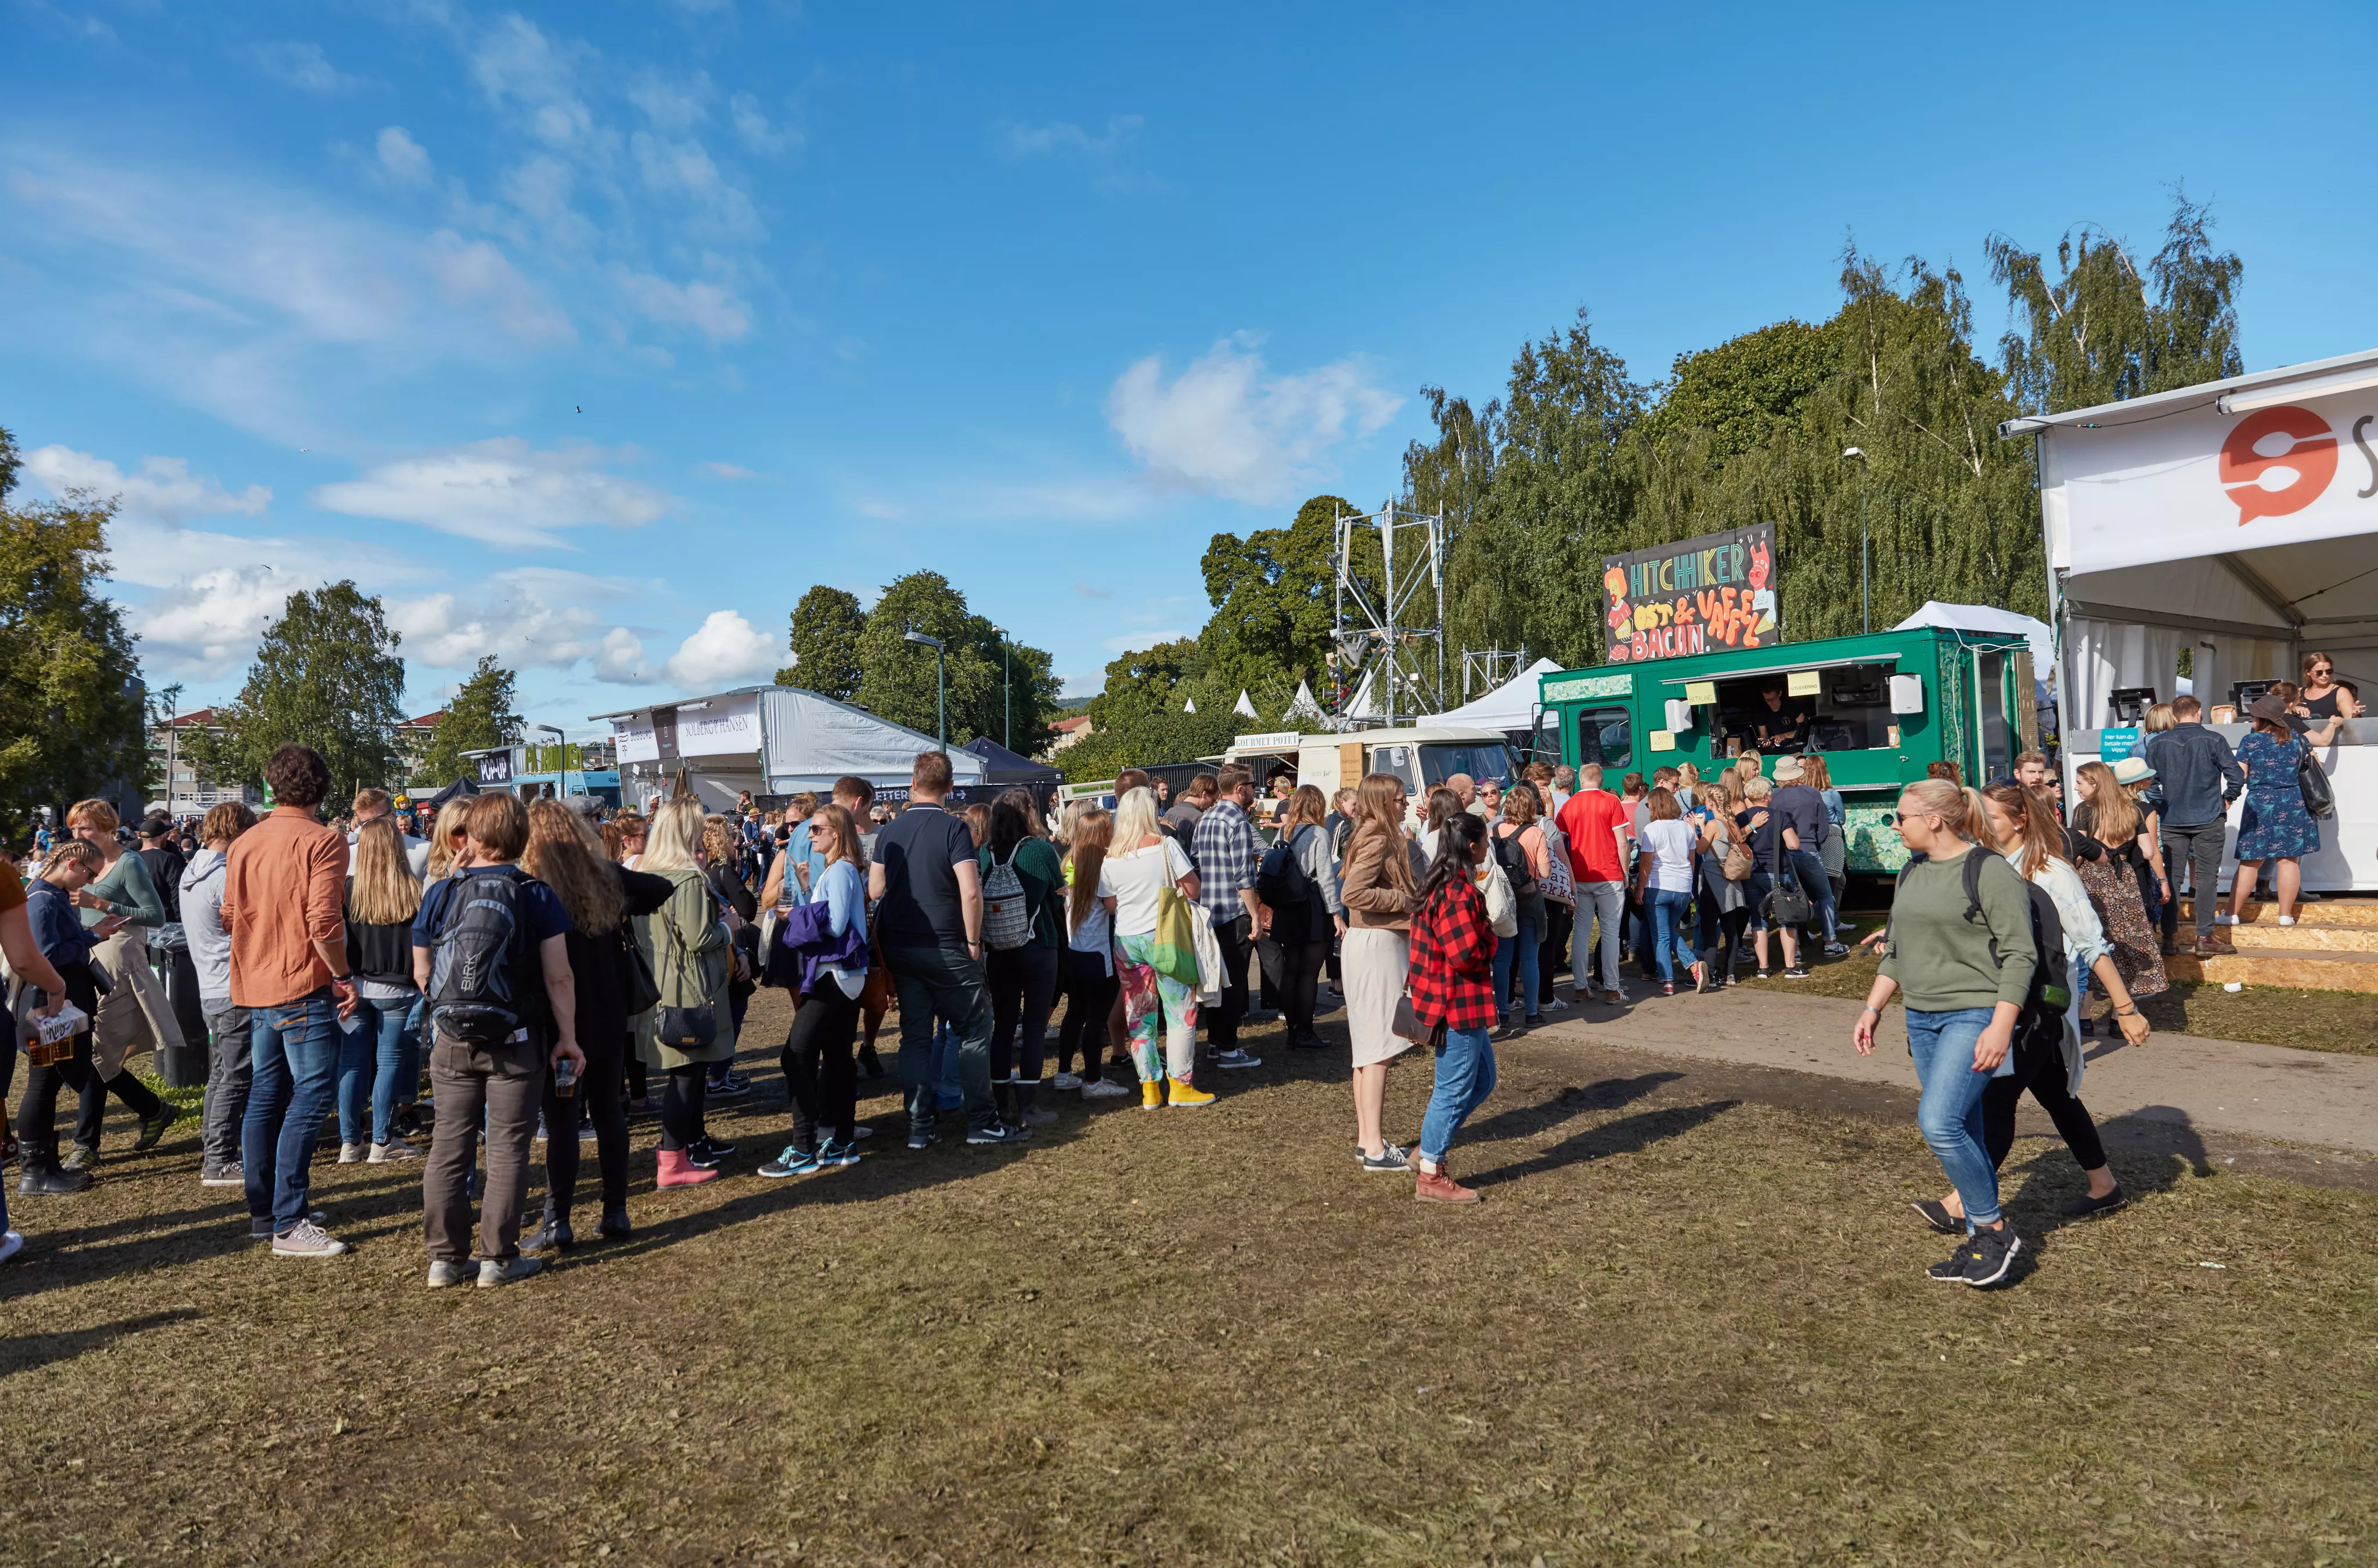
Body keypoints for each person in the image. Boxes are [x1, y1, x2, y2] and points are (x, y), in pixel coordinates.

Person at [1907, 782, 2146, 1231]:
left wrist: (2126, 1008)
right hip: (1999, 1002)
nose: (1982, 825)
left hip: (2037, 1010)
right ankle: (2104, 1185)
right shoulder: (1982, 864)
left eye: (1992, 817)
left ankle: (1960, 1204)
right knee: (2056, 1094)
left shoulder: (2053, 873)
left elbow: (2092, 944)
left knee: (1996, 1099)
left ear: (2020, 821)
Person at [1851, 778, 2034, 1289]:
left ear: (1934, 819)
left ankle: (1994, 1230)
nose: (1895, 825)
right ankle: (1979, 1243)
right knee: (1964, 1127)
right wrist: (1873, 1007)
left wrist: (2001, 1025)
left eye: (1901, 816)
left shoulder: (1989, 870)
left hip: (1974, 1015)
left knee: (1939, 1122)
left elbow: (2020, 953)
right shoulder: (1911, 871)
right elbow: (1897, 948)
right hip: (1922, 1017)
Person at [413, 791, 583, 1286]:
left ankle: (445, 1258)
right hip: (517, 1036)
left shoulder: (442, 893)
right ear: (521, 836)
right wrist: (568, 1036)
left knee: (449, 1144)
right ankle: (498, 1258)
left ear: (471, 835)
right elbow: (559, 977)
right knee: (508, 1147)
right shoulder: (536, 894)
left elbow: (422, 972)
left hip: (452, 1038)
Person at [221, 745, 355, 1258]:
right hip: (301, 983)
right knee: (312, 1093)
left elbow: (229, 914)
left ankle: (268, 1212)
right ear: (321, 787)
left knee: (267, 1092)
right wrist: (343, 975)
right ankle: (287, 1219)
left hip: (258, 983)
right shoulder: (323, 840)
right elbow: (323, 921)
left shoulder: (245, 841)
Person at [523, 797, 671, 1244]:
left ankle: (558, 1218)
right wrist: (619, 901)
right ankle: (615, 1211)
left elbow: (659, 888)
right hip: (607, 1017)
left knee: (564, 1119)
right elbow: (660, 888)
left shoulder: (534, 889)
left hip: (562, 1025)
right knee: (608, 1112)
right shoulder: (602, 876)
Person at [872, 752, 1026, 1147]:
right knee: (974, 1027)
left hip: (902, 945)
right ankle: (982, 1121)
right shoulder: (954, 829)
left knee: (915, 1037)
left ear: (913, 784)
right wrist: (974, 941)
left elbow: (875, 889)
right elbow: (971, 891)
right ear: (951, 787)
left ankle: (920, 1127)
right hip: (946, 943)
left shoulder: (890, 830)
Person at [759, 803, 874, 1178]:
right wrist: (808, 889)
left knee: (795, 1055)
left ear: (836, 832)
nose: (809, 834)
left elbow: (836, 925)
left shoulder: (840, 870)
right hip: (844, 975)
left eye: (816, 829)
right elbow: (830, 915)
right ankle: (842, 1141)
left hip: (833, 975)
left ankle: (804, 1147)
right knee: (838, 1058)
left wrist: (795, 914)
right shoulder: (838, 869)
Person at [62, 799, 176, 1165]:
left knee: (96, 1052)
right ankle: (153, 1109)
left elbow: (155, 916)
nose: (78, 835)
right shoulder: (77, 862)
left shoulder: (129, 863)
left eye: (85, 828)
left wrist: (103, 904)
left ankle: (86, 1145)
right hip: (87, 963)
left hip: (118, 967)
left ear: (109, 828)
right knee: (96, 1052)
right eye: (74, 828)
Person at [635, 798, 743, 1180]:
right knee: (686, 1077)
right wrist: (728, 928)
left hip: (660, 986)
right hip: (690, 988)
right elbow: (699, 937)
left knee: (688, 1074)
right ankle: (673, 1159)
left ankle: (691, 1143)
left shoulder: (648, 874)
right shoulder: (690, 880)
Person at [13, 841, 122, 1196]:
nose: (89, 883)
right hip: (48, 1007)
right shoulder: (43, 899)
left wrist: (91, 933)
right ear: (73, 863)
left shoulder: (53, 895)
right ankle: (35, 1173)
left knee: (48, 1083)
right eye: (89, 874)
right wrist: (93, 936)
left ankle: (45, 1166)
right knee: (43, 1084)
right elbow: (45, 956)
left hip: (58, 1005)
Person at [1405, 811, 1501, 1205]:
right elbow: (1464, 954)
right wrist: (1491, 939)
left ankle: (1427, 1149)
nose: (1488, 846)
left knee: (1482, 1080)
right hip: (1457, 1002)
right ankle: (1431, 1173)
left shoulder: (1443, 884)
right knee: (1454, 1088)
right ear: (1472, 847)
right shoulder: (1458, 892)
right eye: (1485, 841)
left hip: (1461, 1001)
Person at [1101, 786, 1210, 1109]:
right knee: (1179, 1012)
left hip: (1126, 940)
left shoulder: (1111, 857)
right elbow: (1193, 889)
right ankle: (1181, 1085)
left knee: (1138, 1015)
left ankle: (1150, 1088)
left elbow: (1110, 906)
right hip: (1165, 935)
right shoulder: (1166, 846)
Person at [1338, 773, 1420, 1169]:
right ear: (1385, 802)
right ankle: (1373, 1148)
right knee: (1379, 1051)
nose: (1406, 804)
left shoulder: (1371, 832)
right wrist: (1403, 900)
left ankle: (1367, 1139)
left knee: (1368, 1050)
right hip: (1376, 946)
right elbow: (1353, 892)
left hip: (1371, 943)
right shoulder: (1378, 836)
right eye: (1401, 799)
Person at [338, 819, 426, 1163]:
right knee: (389, 1063)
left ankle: (349, 1141)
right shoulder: (411, 887)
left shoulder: (348, 888)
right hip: (398, 988)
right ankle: (382, 1141)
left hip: (356, 985)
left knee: (353, 1062)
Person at [179, 801, 257, 1188]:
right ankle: (219, 1159)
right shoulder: (224, 874)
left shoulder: (192, 869)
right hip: (231, 986)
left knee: (222, 1072)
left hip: (210, 984)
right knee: (236, 1075)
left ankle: (214, 1147)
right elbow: (246, 927)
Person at [979, 790, 1067, 1127]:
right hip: (1038, 945)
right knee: (1034, 1028)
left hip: (998, 950)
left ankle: (1002, 1106)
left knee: (1002, 1028)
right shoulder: (1040, 850)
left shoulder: (985, 853)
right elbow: (1057, 897)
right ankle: (1029, 1106)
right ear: (1027, 812)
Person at [2143, 694, 2244, 956]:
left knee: (2172, 879)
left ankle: (2169, 937)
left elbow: (2149, 784)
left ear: (2174, 716)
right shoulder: (2214, 739)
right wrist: (2228, 798)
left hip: (2173, 818)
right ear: (2199, 713)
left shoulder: (2157, 743)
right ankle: (2204, 937)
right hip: (2208, 817)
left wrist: (2161, 805)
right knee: (2207, 878)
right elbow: (2236, 776)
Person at [1256, 784, 1345, 1052]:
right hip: (1311, 905)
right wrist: (1336, 914)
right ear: (1318, 805)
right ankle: (1305, 1031)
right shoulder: (1318, 833)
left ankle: (1293, 1032)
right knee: (1308, 974)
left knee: (1292, 969)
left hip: (1287, 907)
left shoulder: (1284, 831)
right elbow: (1326, 877)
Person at [1189, 763, 1266, 1073]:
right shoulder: (1238, 822)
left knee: (1216, 981)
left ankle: (1215, 1044)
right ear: (1239, 789)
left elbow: (1195, 863)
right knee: (1234, 983)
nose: (1255, 789)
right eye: (1253, 784)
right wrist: (1255, 915)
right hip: (1234, 913)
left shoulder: (1205, 819)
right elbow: (1244, 876)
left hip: (1210, 912)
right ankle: (1229, 1050)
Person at [2224, 693, 2322, 931]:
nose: (2252, 719)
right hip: (2294, 802)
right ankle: (2285, 916)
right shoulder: (2298, 740)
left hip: (2260, 804)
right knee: (2289, 861)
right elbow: (2315, 767)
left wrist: (2229, 796)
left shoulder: (2250, 741)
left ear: (2262, 719)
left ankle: (2231, 915)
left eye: (2254, 716)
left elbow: (2240, 776)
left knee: (2250, 862)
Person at [1053, 805, 1127, 1099]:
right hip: (1100, 956)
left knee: (1075, 1013)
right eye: (1110, 828)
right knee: (1096, 1019)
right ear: (1102, 834)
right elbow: (1112, 908)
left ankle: (1063, 1073)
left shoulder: (1070, 863)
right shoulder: (1103, 869)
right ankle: (1094, 1082)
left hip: (1076, 952)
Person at [1555, 763, 1631, 1005]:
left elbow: (1558, 842)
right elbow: (1622, 843)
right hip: (1609, 874)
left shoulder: (1569, 805)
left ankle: (1580, 986)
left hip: (1580, 874)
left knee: (1581, 932)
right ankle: (1612, 988)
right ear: (1601, 779)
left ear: (1580, 780)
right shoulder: (1611, 801)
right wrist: (1626, 872)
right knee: (1610, 932)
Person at [1488, 785, 1550, 1028]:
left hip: (1503, 900)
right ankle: (1532, 1013)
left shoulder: (1494, 831)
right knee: (1530, 958)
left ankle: (1503, 1012)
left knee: (1503, 959)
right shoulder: (1536, 833)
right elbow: (1545, 872)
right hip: (1530, 899)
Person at [1770, 757, 1844, 957]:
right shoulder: (1812, 793)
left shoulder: (1774, 796)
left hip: (1785, 854)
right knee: (1825, 895)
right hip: (1809, 850)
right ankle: (1830, 942)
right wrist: (1815, 844)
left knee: (1791, 899)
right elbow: (1823, 826)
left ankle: (1795, 949)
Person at [1634, 786, 1704, 994]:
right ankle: (1689, 968)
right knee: (1667, 932)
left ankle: (1671, 978)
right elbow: (1691, 860)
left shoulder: (1652, 829)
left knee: (1662, 935)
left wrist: (1639, 889)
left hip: (1658, 887)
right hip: (1682, 888)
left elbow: (1646, 862)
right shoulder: (1685, 827)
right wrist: (1689, 886)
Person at [1735, 776, 1803, 980]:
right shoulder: (1780, 816)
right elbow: (1793, 845)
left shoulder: (1742, 817)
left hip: (1752, 873)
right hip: (1778, 872)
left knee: (1759, 920)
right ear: (1766, 796)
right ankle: (1791, 967)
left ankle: (1763, 968)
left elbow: (1736, 840)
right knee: (1786, 918)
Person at [1693, 778, 1751, 985]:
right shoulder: (1733, 824)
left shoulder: (1713, 824)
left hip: (1713, 880)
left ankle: (1709, 974)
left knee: (1709, 929)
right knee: (1731, 929)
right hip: (1732, 880)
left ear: (1711, 803)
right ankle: (1730, 973)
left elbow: (1701, 849)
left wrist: (1694, 829)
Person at [349, 787, 431, 878]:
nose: (373, 827)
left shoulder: (425, 850)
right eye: (366, 823)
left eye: (377, 820)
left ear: (393, 815)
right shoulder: (349, 855)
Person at [1752, 683, 1811, 751]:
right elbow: (1764, 734)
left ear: (1780, 694)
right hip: (1776, 749)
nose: (1770, 703)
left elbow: (1804, 730)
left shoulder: (1792, 707)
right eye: (1767, 700)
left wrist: (1785, 736)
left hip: (1797, 747)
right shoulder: (1762, 712)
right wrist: (1764, 740)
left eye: (1773, 699)